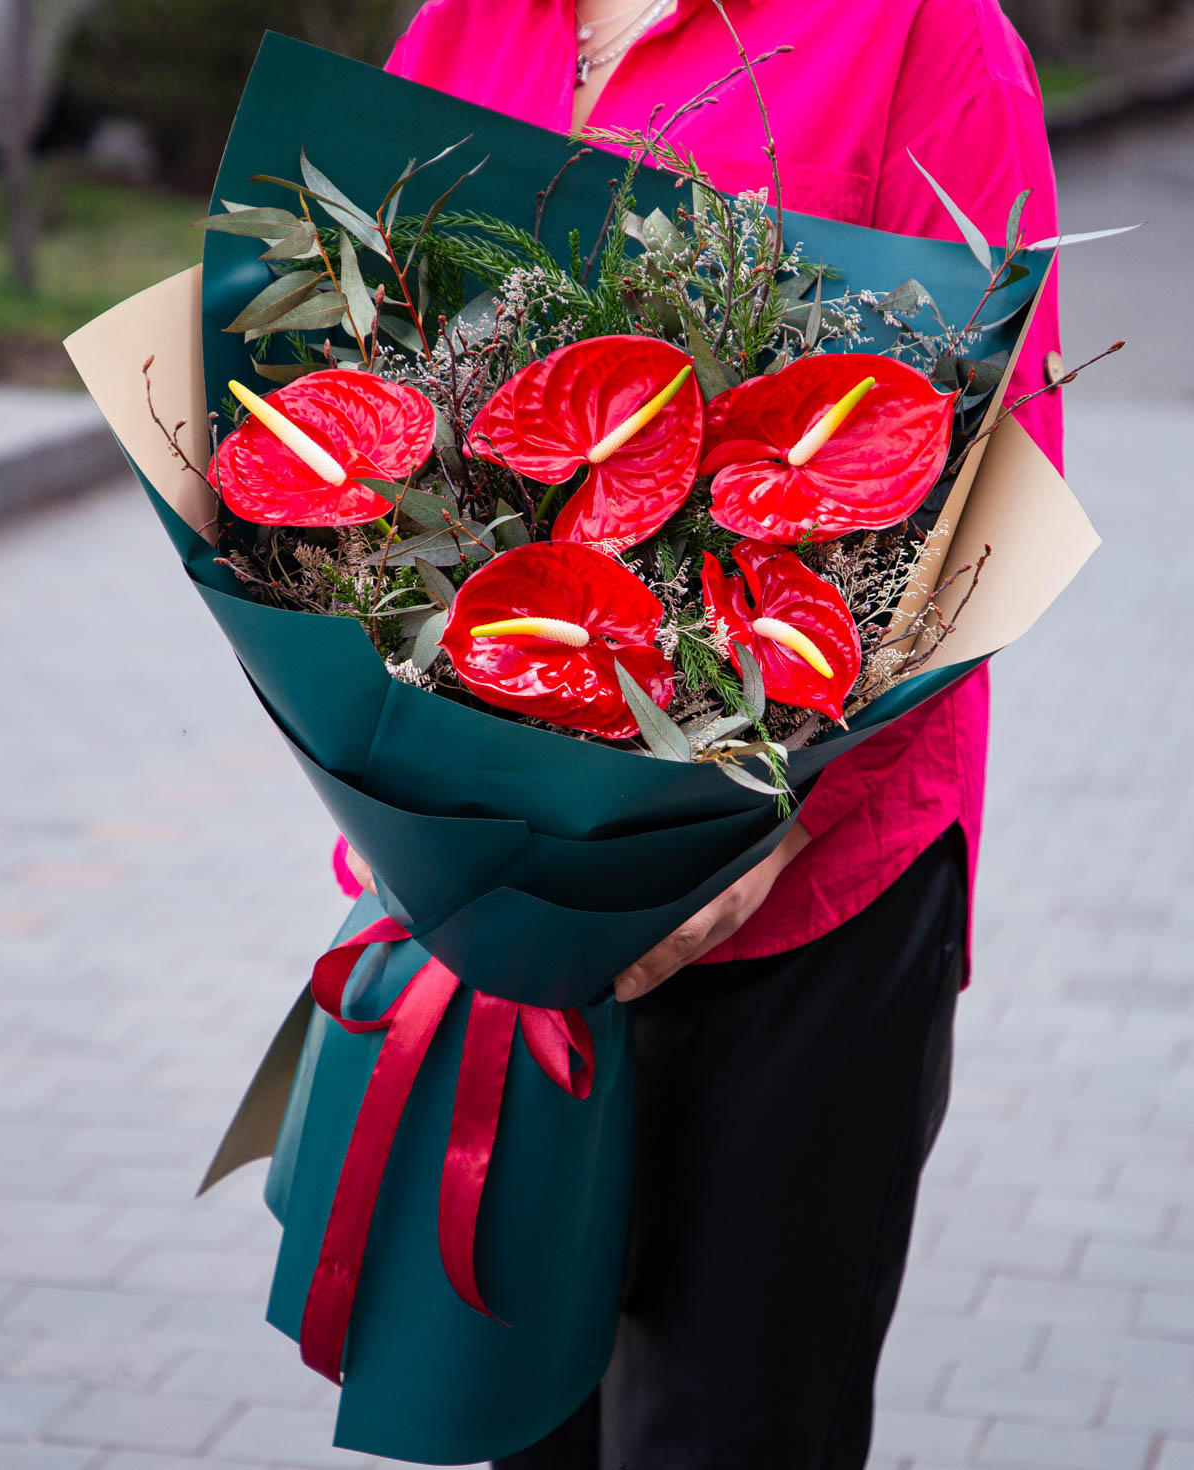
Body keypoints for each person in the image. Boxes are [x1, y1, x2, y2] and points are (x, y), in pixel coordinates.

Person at [341, 0, 1064, 1463]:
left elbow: (999, 472)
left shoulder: (919, 29)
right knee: (527, 1420)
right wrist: (404, 809)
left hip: (803, 910)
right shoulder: (461, 28)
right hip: (512, 913)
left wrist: (756, 822)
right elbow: (366, 422)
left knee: (731, 1426)